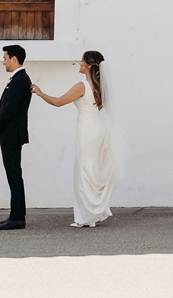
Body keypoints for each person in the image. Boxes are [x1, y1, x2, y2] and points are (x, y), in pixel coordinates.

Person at [32, 50, 120, 227]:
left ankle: (86, 217)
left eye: (81, 61)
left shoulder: (82, 86)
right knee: (93, 169)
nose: (78, 64)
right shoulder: (101, 86)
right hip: (99, 129)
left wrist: (40, 93)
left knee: (83, 170)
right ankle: (93, 213)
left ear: (88, 66)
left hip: (87, 130)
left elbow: (58, 102)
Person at [0, 45, 32, 230]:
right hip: (12, 134)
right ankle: (15, 216)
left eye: (5, 58)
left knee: (14, 175)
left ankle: (17, 218)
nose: (3, 61)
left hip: (11, 135)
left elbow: (11, 110)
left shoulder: (19, 80)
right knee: (14, 175)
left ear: (14, 59)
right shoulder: (18, 79)